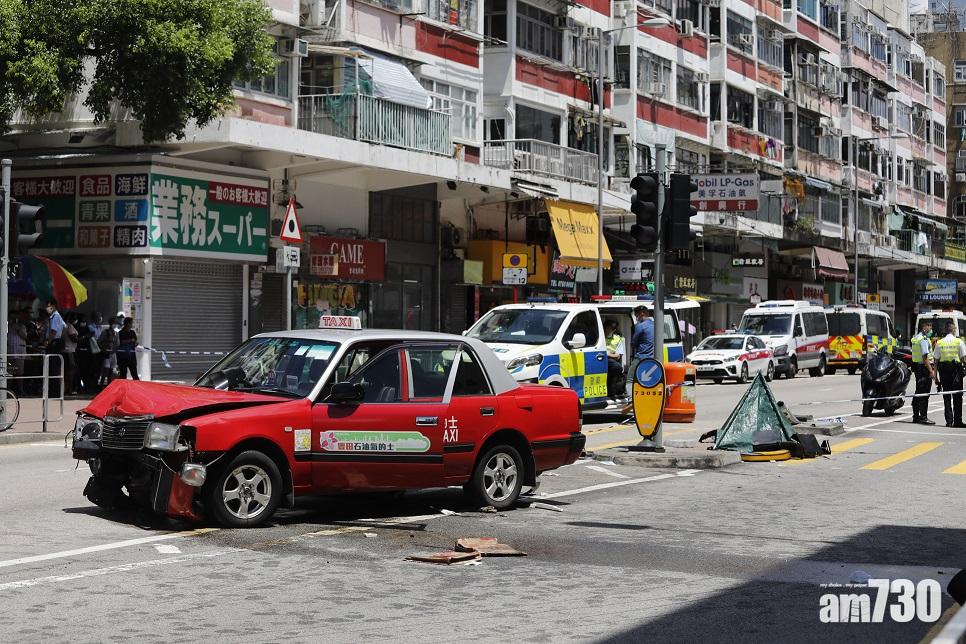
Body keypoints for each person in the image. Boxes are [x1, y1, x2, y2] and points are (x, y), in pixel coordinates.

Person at [933, 322, 966, 428]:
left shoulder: (940, 342)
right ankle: (957, 421)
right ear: (954, 329)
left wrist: (935, 377)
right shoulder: (959, 341)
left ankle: (949, 421)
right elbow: (963, 359)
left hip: (944, 373)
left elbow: (936, 361)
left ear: (946, 330)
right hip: (956, 373)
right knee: (957, 396)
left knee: (947, 397)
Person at [624, 305, 655, 404]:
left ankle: (631, 399)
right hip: (653, 359)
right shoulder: (655, 325)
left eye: (637, 315)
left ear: (642, 314)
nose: (636, 318)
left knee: (629, 379)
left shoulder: (640, 326)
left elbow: (634, 342)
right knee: (649, 382)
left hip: (641, 357)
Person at [910, 320, 936, 426]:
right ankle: (923, 417)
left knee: (919, 391)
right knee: (925, 393)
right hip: (924, 368)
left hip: (918, 368)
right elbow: (925, 357)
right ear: (924, 327)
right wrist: (931, 371)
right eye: (929, 326)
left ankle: (916, 416)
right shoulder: (924, 339)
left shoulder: (916, 338)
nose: (930, 329)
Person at [44, 299, 67, 397]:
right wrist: (61, 337)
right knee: (54, 367)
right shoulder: (56, 316)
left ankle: (54, 392)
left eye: (49, 306)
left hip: (54, 343)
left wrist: (48, 342)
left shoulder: (55, 316)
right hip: (56, 342)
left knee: (53, 368)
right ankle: (55, 391)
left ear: (54, 306)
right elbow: (65, 327)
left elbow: (53, 331)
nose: (47, 308)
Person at [604, 320, 625, 399]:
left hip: (609, 360)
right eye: (609, 328)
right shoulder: (598, 337)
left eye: (613, 329)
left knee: (617, 367)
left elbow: (617, 356)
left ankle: (611, 393)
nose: (610, 330)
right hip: (597, 358)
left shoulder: (617, 339)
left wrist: (606, 354)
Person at [98, 316, 120, 386]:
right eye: (114, 323)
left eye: (116, 323)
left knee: (111, 372)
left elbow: (117, 344)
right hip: (106, 354)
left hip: (113, 354)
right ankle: (101, 387)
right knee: (105, 371)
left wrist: (114, 349)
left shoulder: (116, 333)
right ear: (110, 323)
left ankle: (108, 387)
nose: (115, 324)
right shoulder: (105, 332)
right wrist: (104, 349)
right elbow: (99, 342)